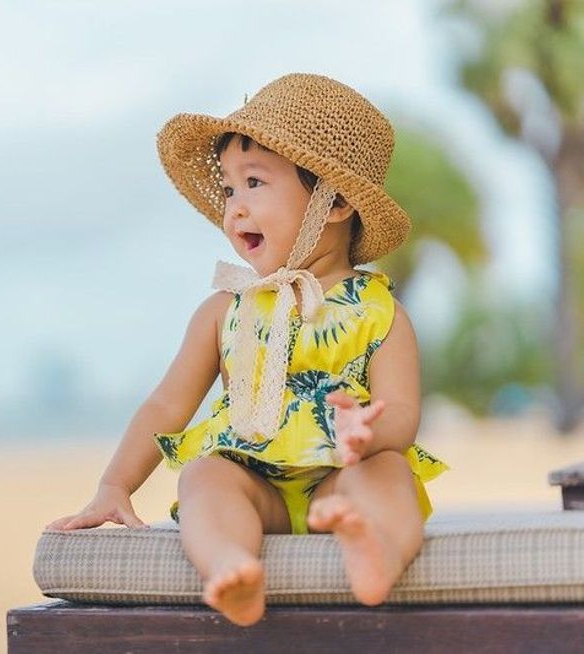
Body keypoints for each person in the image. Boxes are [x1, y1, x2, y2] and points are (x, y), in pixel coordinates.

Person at [44, 73, 449, 627]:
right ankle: (232, 566)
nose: (234, 208)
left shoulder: (380, 313)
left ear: (334, 203)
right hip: (254, 483)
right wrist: (115, 485)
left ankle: (375, 550)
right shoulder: (226, 311)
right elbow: (167, 406)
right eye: (230, 190)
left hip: (342, 473)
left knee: (389, 477)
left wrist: (367, 435)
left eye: (254, 183)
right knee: (205, 478)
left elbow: (402, 414)